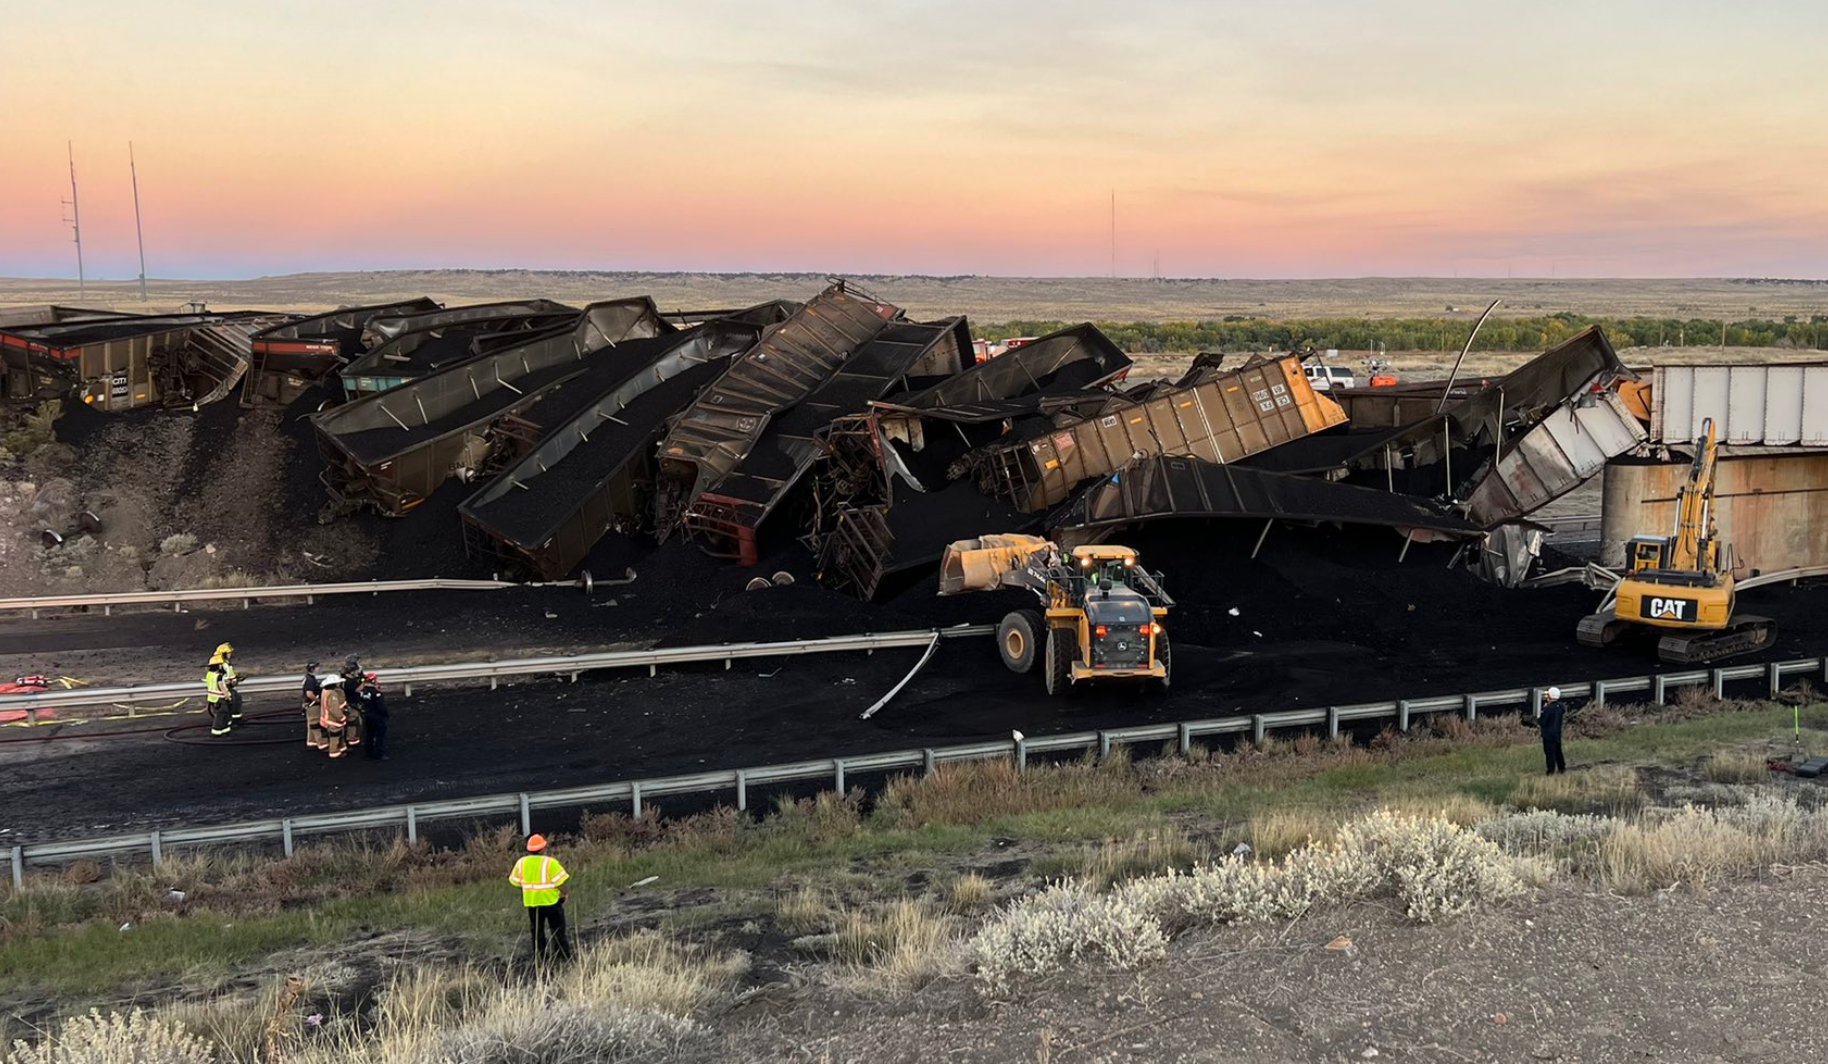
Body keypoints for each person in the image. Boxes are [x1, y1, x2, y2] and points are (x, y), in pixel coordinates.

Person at [508, 834, 573, 963]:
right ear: (543, 848)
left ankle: (540, 957)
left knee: (537, 932)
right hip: (551, 902)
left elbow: (514, 881)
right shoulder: (550, 863)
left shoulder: (521, 863)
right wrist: (564, 894)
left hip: (532, 903)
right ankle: (562, 956)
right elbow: (560, 883)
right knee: (558, 930)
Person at [357, 672, 388, 760]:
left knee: (369, 735)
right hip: (377, 717)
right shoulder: (376, 693)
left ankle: (368, 752)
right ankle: (379, 754)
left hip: (367, 716)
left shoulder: (363, 692)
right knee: (379, 736)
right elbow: (381, 707)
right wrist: (385, 714)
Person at [319, 675, 351, 758]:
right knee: (335, 736)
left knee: (340, 734)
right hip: (332, 720)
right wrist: (342, 717)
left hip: (328, 719)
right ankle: (334, 752)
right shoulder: (332, 694)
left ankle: (342, 748)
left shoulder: (325, 691)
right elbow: (334, 708)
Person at [1539, 686, 1568, 775]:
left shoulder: (1548, 709)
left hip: (1548, 734)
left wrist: (1543, 710)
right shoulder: (1561, 707)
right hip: (1557, 733)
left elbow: (1542, 722)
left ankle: (1550, 770)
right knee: (1558, 751)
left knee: (1549, 752)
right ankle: (1561, 767)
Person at [205, 652, 234, 737]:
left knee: (220, 714)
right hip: (220, 699)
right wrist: (228, 697)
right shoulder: (219, 676)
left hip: (212, 699)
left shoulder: (209, 675)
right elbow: (222, 687)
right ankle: (216, 731)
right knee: (222, 715)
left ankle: (225, 729)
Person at [302, 662, 326, 750]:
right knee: (315, 723)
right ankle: (321, 743)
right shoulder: (310, 680)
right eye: (317, 667)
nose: (319, 668)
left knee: (311, 723)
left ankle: (312, 740)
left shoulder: (309, 678)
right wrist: (318, 701)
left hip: (309, 705)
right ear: (312, 669)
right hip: (313, 705)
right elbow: (309, 694)